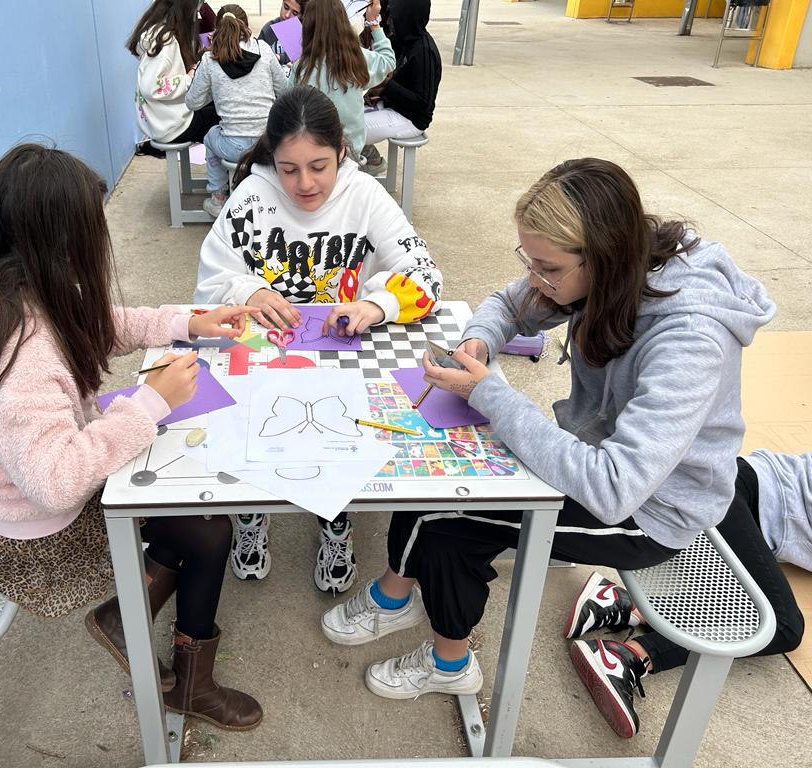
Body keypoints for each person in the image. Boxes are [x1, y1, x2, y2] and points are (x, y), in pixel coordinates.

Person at [321, 157, 780, 719]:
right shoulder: (604, 270)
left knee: (446, 520)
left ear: (604, 256)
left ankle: (449, 664)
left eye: (548, 269)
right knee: (432, 475)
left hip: (652, 511)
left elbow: (614, 489)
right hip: (590, 458)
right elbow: (507, 304)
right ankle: (395, 596)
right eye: (530, 262)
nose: (536, 281)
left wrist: (490, 394)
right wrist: (481, 341)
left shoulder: (691, 340)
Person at [0, 143, 262, 731]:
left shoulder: (7, 282)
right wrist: (151, 400)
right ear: (60, 240)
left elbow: (94, 322)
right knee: (207, 529)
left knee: (189, 506)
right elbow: (56, 482)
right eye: (93, 225)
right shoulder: (23, 351)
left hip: (24, 494)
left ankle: (128, 617)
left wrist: (186, 323)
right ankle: (187, 681)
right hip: (40, 536)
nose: (100, 238)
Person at [194, 86, 443, 595]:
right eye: (288, 169)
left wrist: (376, 305)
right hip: (263, 350)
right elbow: (209, 281)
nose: (304, 184)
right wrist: (248, 289)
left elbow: (426, 275)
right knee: (255, 425)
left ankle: (336, 517)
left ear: (342, 152)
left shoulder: (365, 195)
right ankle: (251, 510)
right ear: (272, 157)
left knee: (339, 429)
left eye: (319, 166)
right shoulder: (251, 196)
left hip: (342, 348)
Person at [564, 450, 806, 738]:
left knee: (750, 601)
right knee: (781, 625)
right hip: (730, 497)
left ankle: (624, 605)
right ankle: (624, 656)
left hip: (739, 501)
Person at [186, 4, 286, 217]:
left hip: (232, 146)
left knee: (210, 136)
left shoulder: (210, 59)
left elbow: (192, 103)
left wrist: (215, 90)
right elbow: (285, 91)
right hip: (267, 143)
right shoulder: (264, 50)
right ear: (246, 27)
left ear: (216, 30)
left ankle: (218, 197)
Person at [288, 0, 395, 159]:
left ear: (307, 25)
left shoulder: (301, 67)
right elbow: (388, 61)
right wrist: (374, 22)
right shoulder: (357, 58)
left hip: (314, 152)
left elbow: (288, 104)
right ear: (343, 22)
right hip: (351, 151)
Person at [360, 0, 441, 176]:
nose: (389, 21)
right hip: (394, 107)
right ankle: (367, 161)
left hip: (411, 119)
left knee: (348, 130)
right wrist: (379, 93)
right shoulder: (403, 41)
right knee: (343, 117)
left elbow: (422, 103)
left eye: (394, 17)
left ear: (406, 18)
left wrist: (385, 88)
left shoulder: (424, 51)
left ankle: (367, 166)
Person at [127, 0, 218, 147]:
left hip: (162, 120)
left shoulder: (157, 33)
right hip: (172, 125)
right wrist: (188, 78)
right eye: (195, 12)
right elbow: (151, 87)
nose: (196, 17)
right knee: (225, 113)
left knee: (215, 104)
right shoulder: (166, 43)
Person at [258, 0, 305, 67]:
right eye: (286, 7)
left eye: (295, 13)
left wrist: (280, 58)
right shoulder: (269, 29)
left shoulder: (306, 33)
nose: (287, 15)